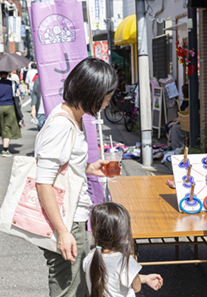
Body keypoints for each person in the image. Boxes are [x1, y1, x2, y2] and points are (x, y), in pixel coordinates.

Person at [35, 57, 118, 297]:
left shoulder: (73, 117)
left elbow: (62, 167)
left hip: (72, 216)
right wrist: (63, 232)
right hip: (65, 219)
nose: (106, 104)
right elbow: (44, 183)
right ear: (93, 93)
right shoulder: (62, 124)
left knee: (77, 285)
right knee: (68, 289)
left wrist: (88, 168)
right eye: (107, 98)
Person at [83, 202, 163, 296]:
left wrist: (145, 278)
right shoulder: (126, 262)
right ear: (123, 234)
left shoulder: (91, 257)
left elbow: (113, 278)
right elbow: (137, 287)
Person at [0, 71, 21, 157]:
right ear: (8, 73)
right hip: (10, 106)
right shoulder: (12, 83)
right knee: (7, 127)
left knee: (1, 127)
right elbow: (18, 94)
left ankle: (4, 145)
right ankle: (5, 150)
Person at [166, 83, 189, 150]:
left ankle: (170, 146)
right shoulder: (185, 101)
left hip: (184, 122)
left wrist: (176, 121)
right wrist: (177, 119)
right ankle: (170, 145)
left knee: (171, 127)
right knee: (168, 125)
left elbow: (185, 114)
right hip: (181, 120)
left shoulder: (189, 102)